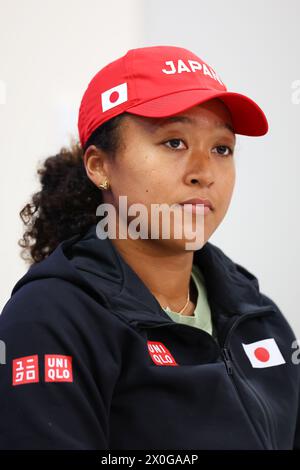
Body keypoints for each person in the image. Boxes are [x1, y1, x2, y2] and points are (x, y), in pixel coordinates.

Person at [0, 45, 299, 450]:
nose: (203, 172)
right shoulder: (48, 320)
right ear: (99, 166)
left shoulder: (256, 314)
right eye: (174, 142)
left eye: (222, 148)